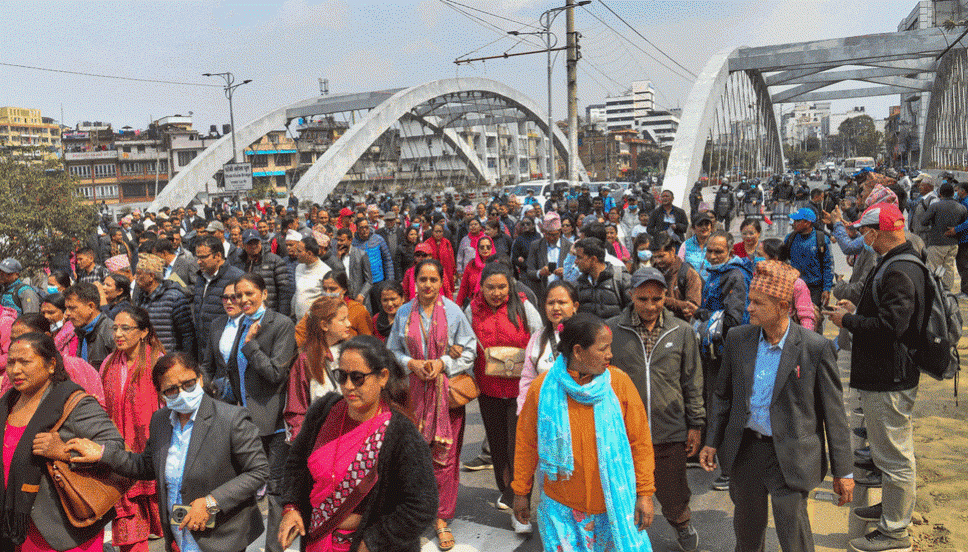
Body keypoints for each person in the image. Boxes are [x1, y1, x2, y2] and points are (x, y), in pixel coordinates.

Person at [700, 260, 853, 552]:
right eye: (749, 301)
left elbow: (834, 415)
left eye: (758, 303)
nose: (749, 309)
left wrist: (843, 472)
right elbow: (722, 396)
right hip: (747, 452)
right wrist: (711, 441)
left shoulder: (814, 347)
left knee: (793, 535)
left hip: (792, 455)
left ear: (783, 306)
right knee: (746, 534)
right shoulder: (738, 339)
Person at [66, 352, 270, 552]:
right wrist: (102, 453)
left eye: (188, 384)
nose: (182, 392)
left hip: (221, 537)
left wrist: (211, 502)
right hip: (179, 535)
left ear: (199, 379)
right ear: (161, 393)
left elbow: (258, 471)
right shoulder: (161, 421)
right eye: (172, 389)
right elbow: (146, 466)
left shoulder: (231, 418)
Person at [826, 203, 925, 552]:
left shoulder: (899, 269)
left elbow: (890, 329)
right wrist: (857, 310)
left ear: (878, 231)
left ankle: (895, 533)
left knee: (896, 457)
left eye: (865, 232)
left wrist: (848, 322)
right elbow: (887, 316)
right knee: (889, 453)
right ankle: (892, 510)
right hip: (887, 373)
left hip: (889, 377)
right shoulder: (898, 262)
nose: (862, 238)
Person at [278, 335, 438, 552]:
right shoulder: (324, 412)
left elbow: (421, 506)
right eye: (341, 376)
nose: (348, 386)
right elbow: (296, 463)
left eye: (357, 377)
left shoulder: (401, 434)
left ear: (382, 377)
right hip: (319, 539)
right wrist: (292, 508)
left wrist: (373, 542)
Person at [512, 313, 655, 552]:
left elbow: (639, 442)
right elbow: (526, 444)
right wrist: (521, 492)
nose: (610, 355)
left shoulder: (619, 384)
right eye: (603, 349)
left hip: (612, 509)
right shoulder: (542, 389)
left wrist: (645, 493)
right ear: (578, 351)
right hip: (561, 510)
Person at [606, 268, 704, 551]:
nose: (650, 306)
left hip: (669, 428)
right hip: (623, 430)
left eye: (657, 299)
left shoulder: (682, 331)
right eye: (642, 299)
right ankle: (623, 538)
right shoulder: (612, 330)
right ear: (630, 296)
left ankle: (682, 524)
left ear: (666, 297)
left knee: (674, 493)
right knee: (622, 491)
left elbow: (692, 381)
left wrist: (695, 424)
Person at [386, 259, 476, 550]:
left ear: (441, 282)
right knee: (412, 456)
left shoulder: (453, 312)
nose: (427, 285)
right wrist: (410, 363)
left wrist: (443, 363)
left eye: (432, 280)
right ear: (414, 282)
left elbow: (470, 348)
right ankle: (412, 514)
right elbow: (392, 351)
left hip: (445, 396)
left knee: (445, 457)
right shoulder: (403, 313)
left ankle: (441, 518)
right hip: (412, 395)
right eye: (422, 279)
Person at [4, 332, 124, 552]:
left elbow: (115, 447)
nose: (15, 370)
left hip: (63, 531)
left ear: (51, 365)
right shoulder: (8, 403)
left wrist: (65, 452)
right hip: (18, 530)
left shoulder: (73, 403)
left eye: (25, 362)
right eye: (11, 362)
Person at [225, 273, 297, 552]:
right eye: (238, 295)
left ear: (264, 293)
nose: (243, 300)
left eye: (249, 294)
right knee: (242, 487)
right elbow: (234, 370)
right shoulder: (241, 323)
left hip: (273, 422)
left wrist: (251, 345)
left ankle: (275, 549)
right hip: (243, 419)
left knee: (276, 491)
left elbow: (276, 373)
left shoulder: (280, 324)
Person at [466, 263, 542, 512]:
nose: (497, 292)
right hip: (488, 390)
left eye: (502, 287)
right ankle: (506, 488)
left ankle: (519, 494)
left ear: (509, 285)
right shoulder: (472, 309)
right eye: (491, 287)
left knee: (517, 446)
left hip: (520, 391)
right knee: (498, 447)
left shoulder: (522, 305)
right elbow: (466, 343)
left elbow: (539, 338)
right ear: (481, 287)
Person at [98, 306, 166, 552]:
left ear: (143, 332)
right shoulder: (108, 364)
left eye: (125, 328)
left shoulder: (158, 362)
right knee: (126, 514)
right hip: (120, 450)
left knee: (164, 515)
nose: (118, 333)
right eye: (115, 328)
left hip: (153, 447)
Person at [695, 230, 752, 490]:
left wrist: (701, 313)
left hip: (727, 353)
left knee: (725, 409)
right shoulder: (716, 274)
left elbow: (733, 319)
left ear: (730, 251)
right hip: (713, 352)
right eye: (710, 250)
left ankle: (731, 470)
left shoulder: (735, 276)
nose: (713, 255)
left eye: (718, 251)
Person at [0, 314, 106, 406]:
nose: (18, 344)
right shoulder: (12, 372)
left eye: (26, 338)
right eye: (14, 340)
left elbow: (98, 406)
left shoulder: (77, 367)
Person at [284, 296, 351, 441]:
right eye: (342, 320)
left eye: (347, 318)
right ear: (324, 325)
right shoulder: (305, 360)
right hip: (321, 440)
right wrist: (303, 442)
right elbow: (296, 410)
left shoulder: (353, 353)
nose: (349, 323)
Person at [517, 281, 579, 414]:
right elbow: (528, 380)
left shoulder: (585, 335)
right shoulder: (537, 338)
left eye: (562, 302)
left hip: (578, 410)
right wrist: (524, 412)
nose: (556, 308)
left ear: (575, 306)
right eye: (550, 303)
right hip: (545, 413)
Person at [134, 253, 195, 356]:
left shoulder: (175, 298)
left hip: (169, 359)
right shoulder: (140, 298)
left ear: (151, 276)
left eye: (139, 274)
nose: (136, 278)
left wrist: (185, 362)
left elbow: (187, 335)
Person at [193, 236, 245, 355]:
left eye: (203, 257)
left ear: (218, 256)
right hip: (203, 348)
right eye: (197, 257)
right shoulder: (201, 278)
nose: (198, 261)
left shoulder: (237, 278)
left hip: (226, 349)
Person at [758, 239, 816, 331]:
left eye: (760, 256)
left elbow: (806, 317)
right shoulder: (759, 281)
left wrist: (804, 343)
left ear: (774, 259)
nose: (757, 259)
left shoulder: (796, 284)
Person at [235, 229, 295, 317]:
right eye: (250, 244)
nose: (253, 246)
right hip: (245, 314)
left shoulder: (275, 260)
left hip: (269, 313)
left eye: (256, 243)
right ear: (243, 245)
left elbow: (284, 292)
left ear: (260, 242)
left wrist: (281, 316)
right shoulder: (239, 263)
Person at [920, 182, 967, 292]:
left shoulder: (935, 206)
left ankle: (933, 292)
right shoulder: (961, 207)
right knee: (949, 267)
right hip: (954, 244)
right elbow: (964, 224)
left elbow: (923, 222)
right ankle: (947, 292)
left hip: (937, 243)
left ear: (940, 194)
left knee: (932, 267)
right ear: (952, 193)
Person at [785, 208, 833, 310]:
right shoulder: (789, 239)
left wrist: (826, 289)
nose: (794, 223)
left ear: (807, 223)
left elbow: (828, 266)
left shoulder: (822, 240)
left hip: (815, 289)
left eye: (797, 221)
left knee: (813, 318)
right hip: (794, 287)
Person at [574, 238, 630, 319]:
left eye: (579, 257)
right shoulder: (580, 284)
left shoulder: (620, 279)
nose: (576, 261)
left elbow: (632, 311)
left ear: (593, 259)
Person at [64, 282, 115, 371]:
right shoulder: (81, 330)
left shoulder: (111, 332)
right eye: (67, 308)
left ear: (91, 306)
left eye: (72, 308)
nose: (67, 313)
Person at [651, 234, 702, 322]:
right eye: (655, 257)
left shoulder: (689, 273)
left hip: (681, 326)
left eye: (661, 256)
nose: (658, 261)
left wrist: (662, 299)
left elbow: (692, 307)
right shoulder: (652, 272)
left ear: (673, 251)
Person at [524, 213, 571, 301]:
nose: (551, 238)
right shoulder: (536, 246)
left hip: (563, 293)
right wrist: (540, 273)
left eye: (554, 235)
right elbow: (529, 272)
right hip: (542, 294)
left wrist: (565, 272)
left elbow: (577, 272)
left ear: (560, 231)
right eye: (548, 234)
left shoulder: (569, 247)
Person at [335, 228, 372, 305]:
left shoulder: (361, 255)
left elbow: (369, 281)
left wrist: (362, 294)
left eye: (342, 240)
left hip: (360, 299)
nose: (339, 243)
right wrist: (337, 258)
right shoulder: (336, 256)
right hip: (344, 299)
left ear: (350, 240)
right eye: (338, 240)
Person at [455, 236, 494, 307]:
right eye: (482, 247)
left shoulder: (496, 265)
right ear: (477, 249)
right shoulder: (471, 265)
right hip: (474, 305)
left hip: (492, 305)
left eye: (488, 247)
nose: (485, 249)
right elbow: (463, 287)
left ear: (492, 248)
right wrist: (458, 306)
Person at [41, 293, 78, 358]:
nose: (46, 316)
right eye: (43, 313)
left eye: (51, 312)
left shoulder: (73, 333)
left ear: (65, 312)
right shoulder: (46, 332)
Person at [678, 214, 714, 281]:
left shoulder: (717, 243)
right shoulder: (685, 245)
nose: (704, 227)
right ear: (693, 228)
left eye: (706, 224)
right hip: (692, 286)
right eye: (700, 225)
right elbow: (679, 268)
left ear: (711, 227)